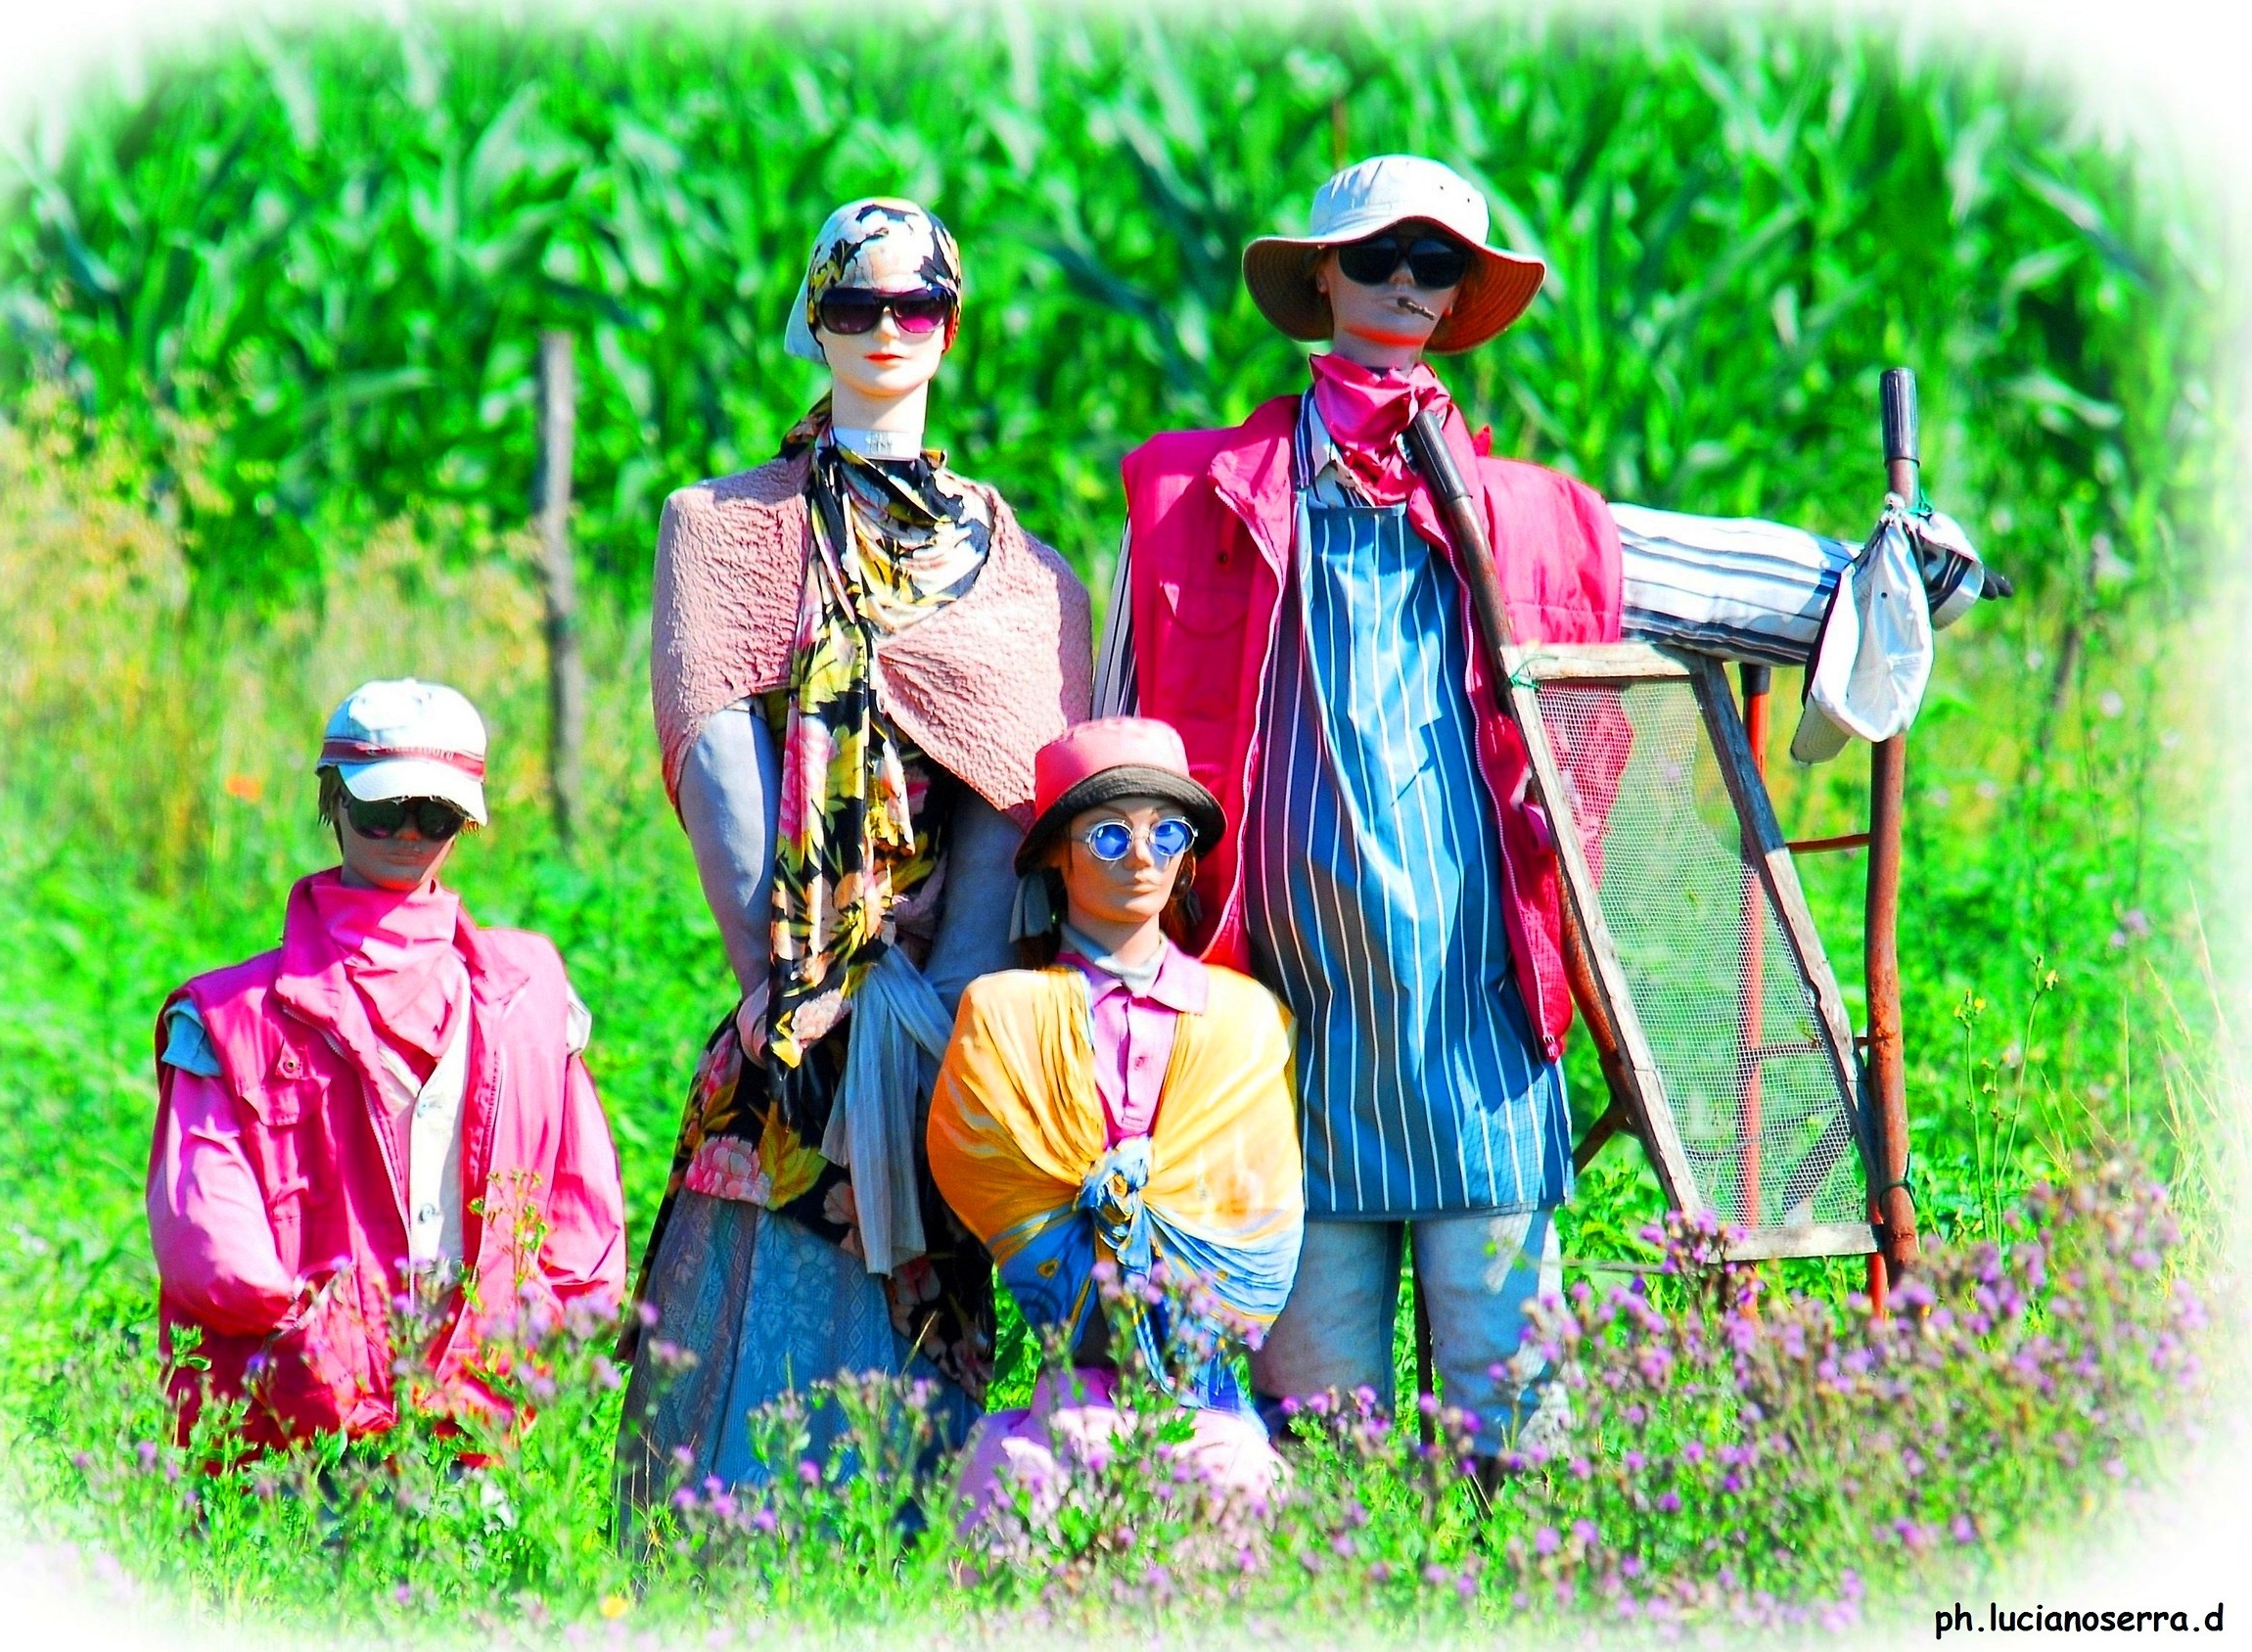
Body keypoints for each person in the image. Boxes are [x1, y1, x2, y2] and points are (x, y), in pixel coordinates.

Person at [1093, 154, 1990, 1455]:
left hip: (1482, 1041)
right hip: (1276, 1039)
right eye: (1380, 256)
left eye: (1437, 263)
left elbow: (1753, 585)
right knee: (1320, 1431)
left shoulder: (1530, 518)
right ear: (1323, 275)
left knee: (1515, 1422)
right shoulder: (1198, 500)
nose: (1406, 284)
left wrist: (1904, 569)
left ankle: (1510, 1560)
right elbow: (1116, 755)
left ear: (1461, 296)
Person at [617, 198, 1093, 1504]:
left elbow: (1013, 803)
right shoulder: (725, 530)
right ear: (815, 321)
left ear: (953, 326)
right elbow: (715, 754)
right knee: (755, 1364)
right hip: (790, 1017)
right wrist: (785, 992)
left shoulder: (1028, 578)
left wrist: (951, 1023)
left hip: (948, 1023)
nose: (889, 329)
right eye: (856, 304)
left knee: (920, 1372)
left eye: (917, 304)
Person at [146, 678, 627, 1446]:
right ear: (333, 801)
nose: (407, 832)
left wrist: (540, 1339)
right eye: (382, 809)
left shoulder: (533, 996)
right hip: (294, 1430)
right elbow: (206, 1233)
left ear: (466, 822)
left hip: (485, 1423)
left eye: (433, 814)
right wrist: (315, 1351)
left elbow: (582, 1211)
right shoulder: (228, 1017)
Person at [927, 717, 1302, 1528]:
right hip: (1067, 1381)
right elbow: (987, 1176)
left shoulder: (1248, 1023)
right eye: (1107, 834)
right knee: (1021, 1482)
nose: (1141, 856)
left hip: (1205, 1391)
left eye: (1166, 833)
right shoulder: (1001, 1017)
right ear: (1056, 856)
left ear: (1188, 858)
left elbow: (1258, 1225)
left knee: (1233, 1483)